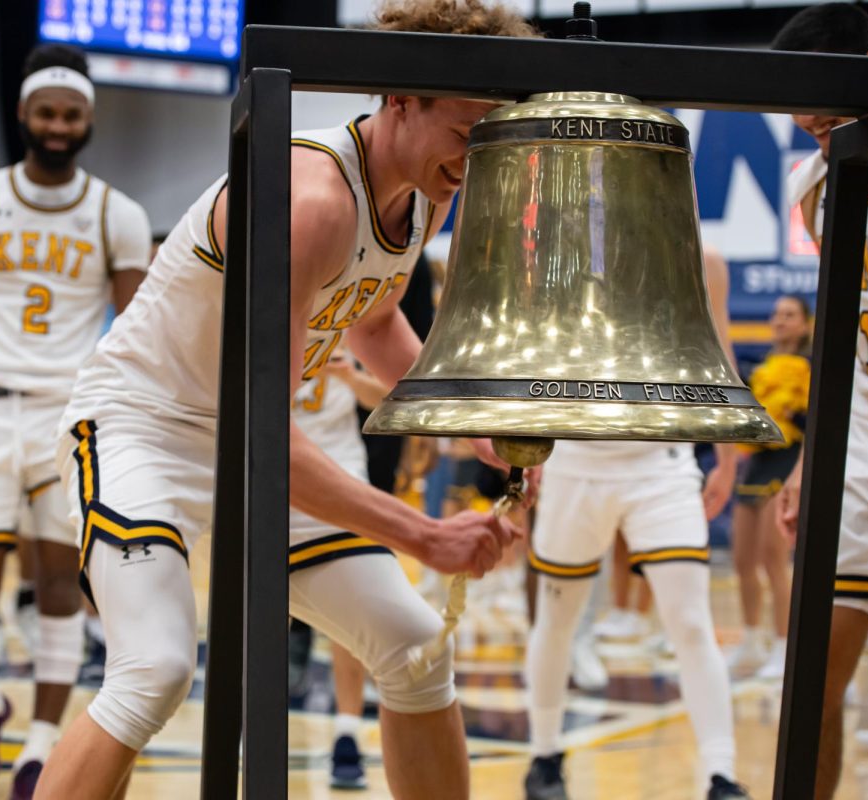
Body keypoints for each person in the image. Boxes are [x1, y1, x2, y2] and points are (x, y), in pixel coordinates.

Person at [36, 4, 537, 797]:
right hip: (147, 426)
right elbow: (261, 439)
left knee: (414, 647)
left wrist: (467, 420)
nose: (476, 156)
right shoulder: (312, 201)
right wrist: (422, 533)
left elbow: (371, 321)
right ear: (401, 100)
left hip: (253, 430)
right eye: (466, 132)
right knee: (156, 668)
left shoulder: (424, 193)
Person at [0, 44, 151, 800]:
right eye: (47, 113)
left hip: (69, 416)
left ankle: (40, 747)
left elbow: (135, 331)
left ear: (89, 119)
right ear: (24, 115)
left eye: (72, 114)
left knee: (60, 584)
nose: (58, 126)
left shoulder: (118, 212)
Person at [523, 248, 750, 800]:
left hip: (661, 460)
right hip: (574, 459)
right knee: (557, 619)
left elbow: (717, 347)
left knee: (691, 621)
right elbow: (530, 352)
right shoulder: (563, 254)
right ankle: (545, 755)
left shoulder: (704, 260)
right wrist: (523, 452)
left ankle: (720, 774)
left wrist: (725, 450)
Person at [770, 6, 868, 798]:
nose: (812, 123)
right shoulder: (810, 183)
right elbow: (842, 332)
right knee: (809, 687)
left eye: (825, 106)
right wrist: (812, 457)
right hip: (860, 455)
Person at [292, 352, 393, 790]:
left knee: (347, 615)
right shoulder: (261, 312)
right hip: (273, 470)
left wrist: (350, 376)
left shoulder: (349, 314)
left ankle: (346, 734)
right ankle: (247, 726)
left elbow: (385, 398)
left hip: (342, 472)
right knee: (260, 610)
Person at [726, 294, 810, 679]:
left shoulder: (813, 368)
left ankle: (784, 645)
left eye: (790, 315)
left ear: (806, 323)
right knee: (743, 560)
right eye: (777, 314)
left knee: (775, 561)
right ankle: (751, 639)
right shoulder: (758, 368)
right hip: (756, 464)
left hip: (787, 465)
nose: (781, 320)